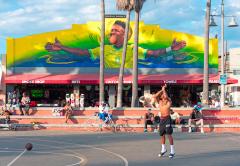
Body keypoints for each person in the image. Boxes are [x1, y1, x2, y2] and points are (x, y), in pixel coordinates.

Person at [45, 20, 186, 68]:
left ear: (125, 34)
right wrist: (62, 47)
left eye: (116, 30)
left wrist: (170, 48)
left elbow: (154, 53)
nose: (112, 32)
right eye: (111, 29)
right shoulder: (104, 48)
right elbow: (82, 52)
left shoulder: (132, 48)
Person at [151, 84, 175, 158]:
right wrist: (162, 89)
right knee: (162, 134)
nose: (163, 96)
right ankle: (163, 149)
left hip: (167, 119)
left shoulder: (169, 101)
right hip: (162, 119)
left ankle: (172, 151)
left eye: (164, 95)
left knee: (169, 134)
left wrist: (164, 89)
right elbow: (155, 96)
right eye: (162, 95)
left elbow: (166, 96)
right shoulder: (160, 102)